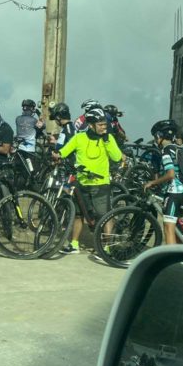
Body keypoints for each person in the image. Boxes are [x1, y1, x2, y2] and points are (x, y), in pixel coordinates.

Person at [57, 107, 123, 256]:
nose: (104, 127)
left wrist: (107, 141)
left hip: (101, 183)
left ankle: (107, 248)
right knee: (78, 215)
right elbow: (65, 150)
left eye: (105, 124)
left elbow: (117, 157)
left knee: (104, 216)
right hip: (81, 183)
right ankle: (74, 244)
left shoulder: (108, 138)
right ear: (91, 125)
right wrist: (57, 154)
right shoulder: (79, 138)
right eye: (100, 125)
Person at [143, 119, 183, 245]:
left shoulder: (166, 151)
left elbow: (170, 174)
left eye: (155, 137)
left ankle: (170, 255)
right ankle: (181, 252)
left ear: (159, 136)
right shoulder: (178, 148)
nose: (155, 140)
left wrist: (153, 182)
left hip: (174, 193)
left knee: (168, 228)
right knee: (177, 227)